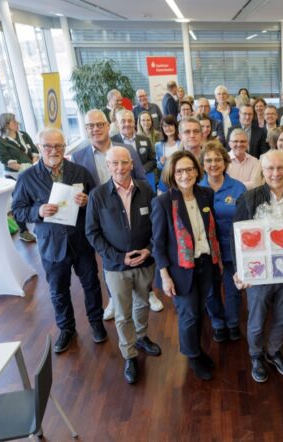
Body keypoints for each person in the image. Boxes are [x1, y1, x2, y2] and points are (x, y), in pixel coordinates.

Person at [11, 128, 107, 353]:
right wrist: (38, 211)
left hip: (80, 241)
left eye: (58, 146)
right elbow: (17, 211)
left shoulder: (80, 172)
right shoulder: (27, 177)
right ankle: (66, 329)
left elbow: (97, 202)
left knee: (91, 285)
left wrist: (87, 202)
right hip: (52, 244)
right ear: (39, 147)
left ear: (64, 147)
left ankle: (96, 323)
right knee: (58, 290)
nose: (53, 151)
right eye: (48, 146)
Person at [233, 149, 283, 383]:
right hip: (258, 272)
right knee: (257, 320)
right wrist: (239, 270)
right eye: (270, 168)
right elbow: (236, 236)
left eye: (280, 168)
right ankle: (256, 355)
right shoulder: (249, 198)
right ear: (263, 170)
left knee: (281, 318)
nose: (275, 173)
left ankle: (274, 352)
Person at [85, 146, 161, 384]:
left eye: (124, 162)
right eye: (114, 163)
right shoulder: (97, 195)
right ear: (107, 166)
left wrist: (149, 249)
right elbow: (92, 233)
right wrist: (119, 258)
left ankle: (141, 337)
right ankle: (129, 354)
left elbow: (158, 225)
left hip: (145, 262)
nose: (120, 168)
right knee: (122, 313)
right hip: (116, 267)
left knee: (142, 304)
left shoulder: (146, 190)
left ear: (131, 164)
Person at [72, 109, 153, 319]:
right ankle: (114, 300)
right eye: (90, 126)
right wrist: (82, 199)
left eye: (100, 124)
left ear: (108, 126)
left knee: (139, 248)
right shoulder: (78, 156)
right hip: (102, 214)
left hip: (131, 204)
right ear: (86, 129)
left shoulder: (126, 149)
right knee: (110, 261)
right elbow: (77, 187)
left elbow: (141, 178)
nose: (95, 129)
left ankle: (147, 292)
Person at [151, 150, 222, 381]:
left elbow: (211, 230)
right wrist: (165, 276)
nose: (185, 175)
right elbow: (158, 244)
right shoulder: (163, 202)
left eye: (189, 169)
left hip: (205, 263)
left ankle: (197, 350)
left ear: (196, 171)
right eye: (179, 171)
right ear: (172, 174)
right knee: (188, 314)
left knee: (200, 311)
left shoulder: (206, 194)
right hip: (179, 269)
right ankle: (192, 356)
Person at [198, 142, 247, 343]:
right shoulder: (196, 188)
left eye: (218, 159)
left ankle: (233, 322)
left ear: (225, 162)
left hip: (232, 248)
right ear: (202, 164)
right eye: (208, 160)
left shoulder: (238, 187)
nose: (213, 164)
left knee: (233, 288)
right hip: (205, 250)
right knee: (210, 291)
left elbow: (246, 220)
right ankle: (217, 323)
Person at [0, 112, 39, 242]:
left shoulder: (23, 135)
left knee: (36, 199)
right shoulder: (0, 142)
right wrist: (26, 168)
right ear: (5, 125)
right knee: (19, 203)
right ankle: (23, 231)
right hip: (14, 176)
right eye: (14, 121)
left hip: (31, 172)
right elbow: (7, 161)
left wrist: (34, 164)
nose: (17, 123)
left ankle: (40, 225)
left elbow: (34, 151)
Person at [112, 109, 157, 193]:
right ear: (117, 124)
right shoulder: (112, 142)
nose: (127, 124)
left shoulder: (145, 139)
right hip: (122, 186)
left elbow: (153, 160)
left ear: (134, 123)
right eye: (123, 121)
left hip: (144, 182)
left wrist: (142, 169)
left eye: (130, 121)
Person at [155, 115, 181, 184]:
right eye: (165, 126)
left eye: (170, 125)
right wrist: (161, 163)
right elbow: (158, 166)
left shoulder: (182, 143)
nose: (168, 128)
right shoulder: (158, 145)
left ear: (175, 126)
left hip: (181, 177)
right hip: (167, 179)